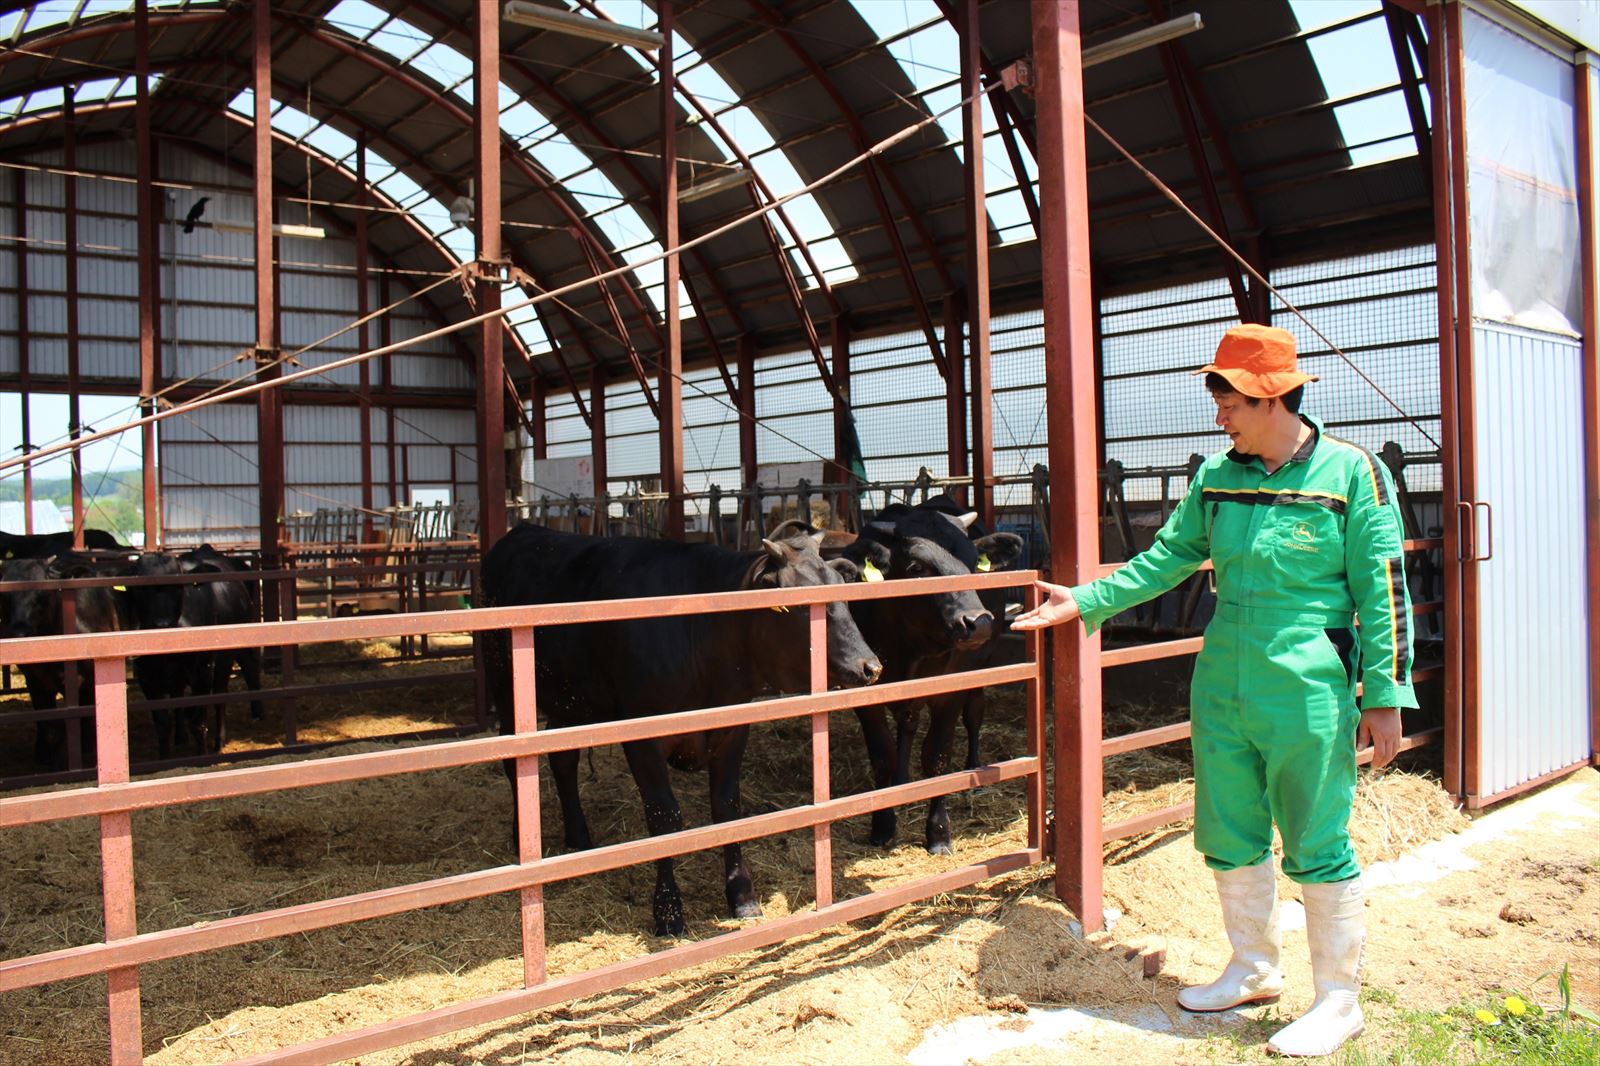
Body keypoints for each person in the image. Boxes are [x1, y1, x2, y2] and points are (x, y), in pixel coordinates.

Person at [1013, 323, 1415, 1058]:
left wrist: (1385, 692)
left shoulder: (1351, 473)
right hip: (1223, 665)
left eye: (1227, 399)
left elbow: (1383, 588)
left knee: (1317, 837)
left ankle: (1337, 1000)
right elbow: (1171, 556)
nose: (1219, 415)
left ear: (1268, 396)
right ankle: (1254, 968)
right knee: (1228, 828)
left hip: (1309, 671)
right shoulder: (1216, 477)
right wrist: (1088, 600)